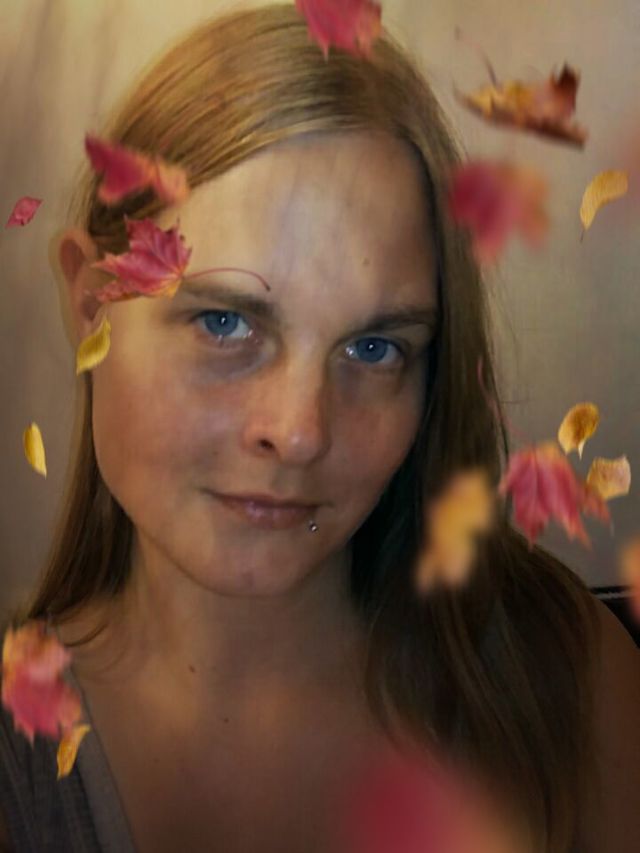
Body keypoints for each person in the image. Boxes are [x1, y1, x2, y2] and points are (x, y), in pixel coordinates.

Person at [1, 4, 639, 852]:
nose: (299, 432)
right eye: (226, 323)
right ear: (92, 308)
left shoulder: (565, 678)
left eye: (374, 347)